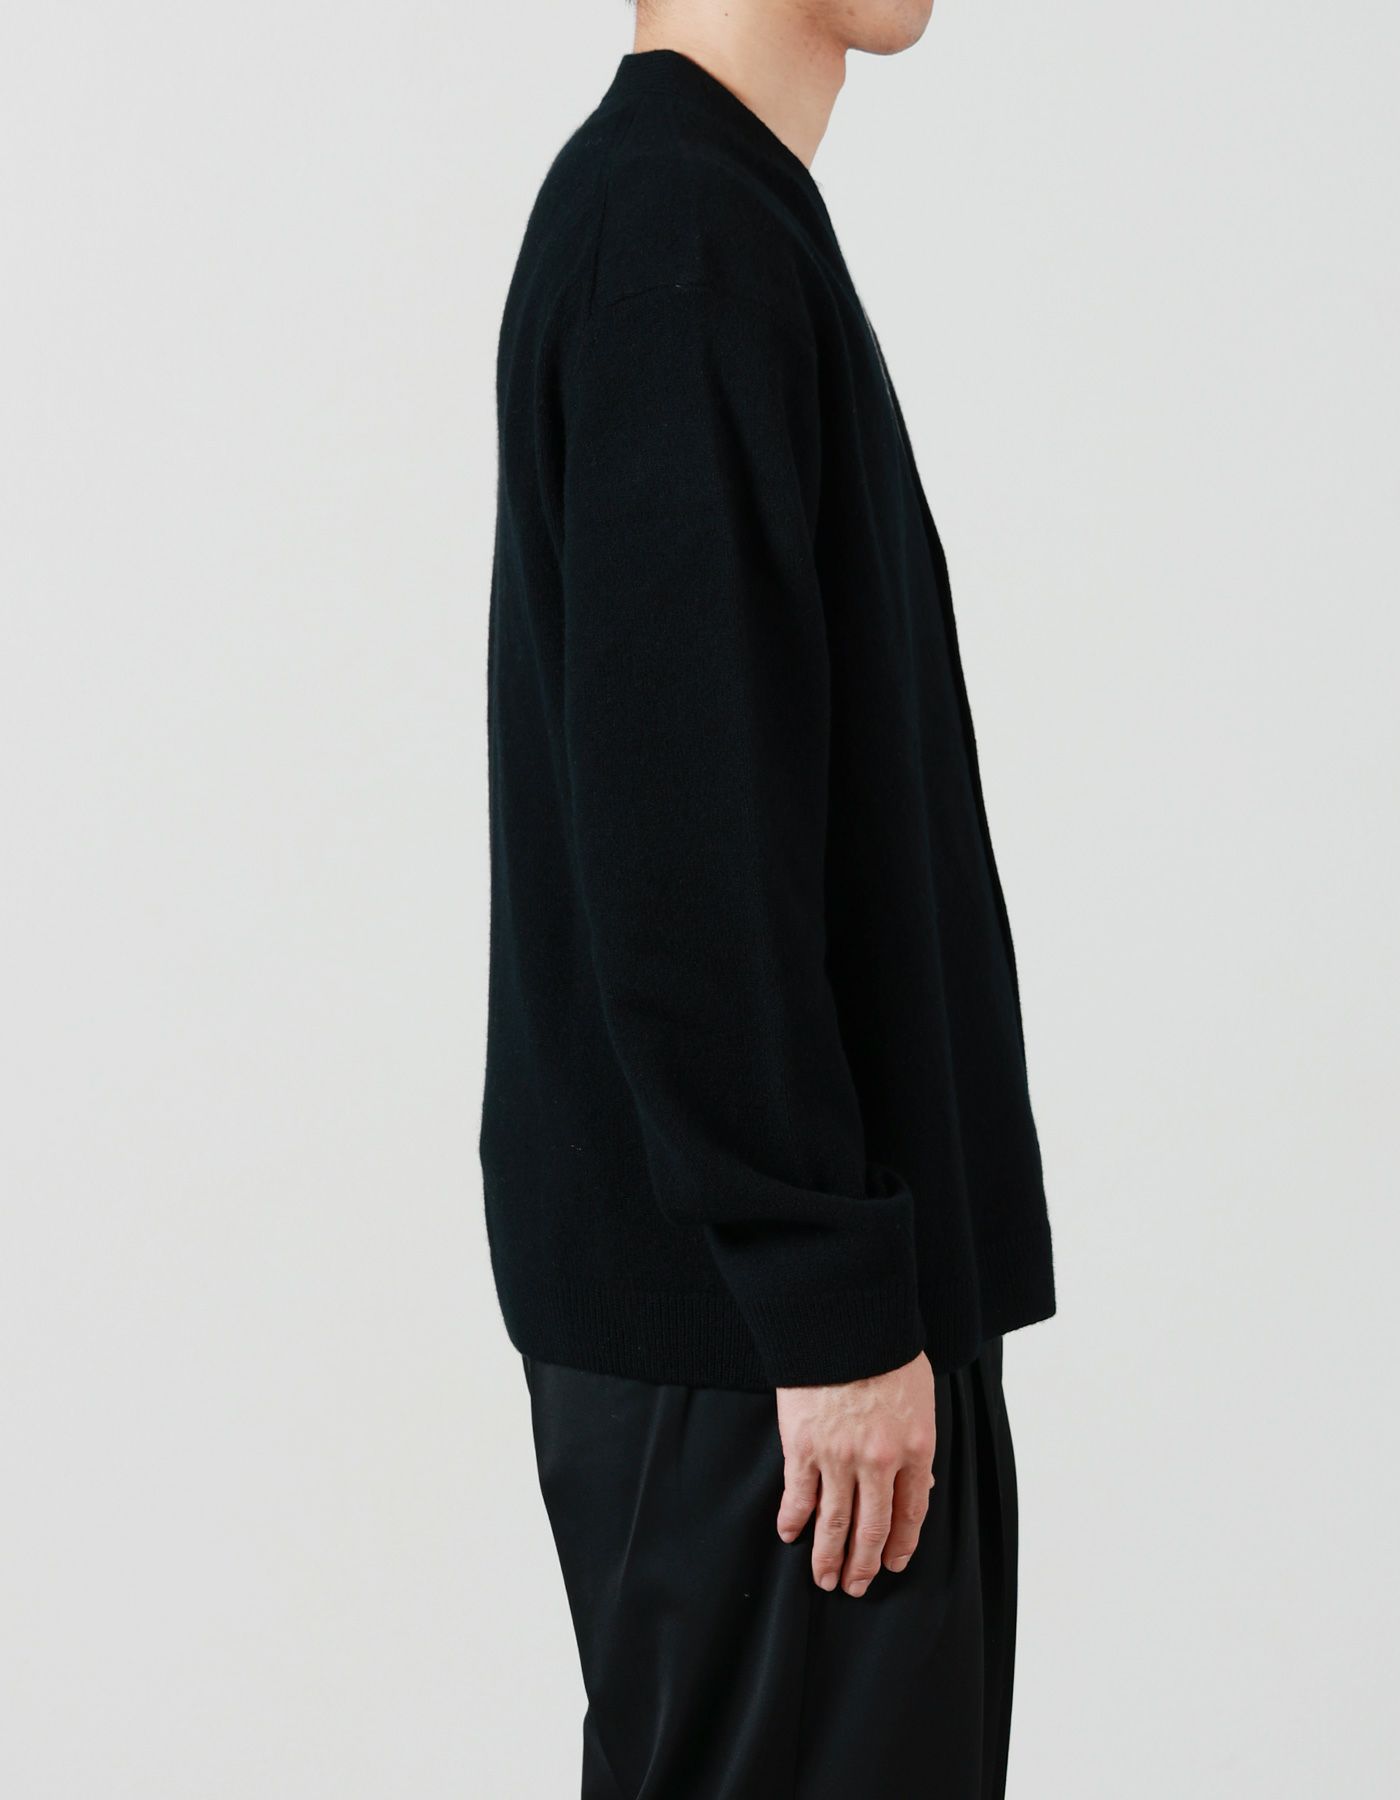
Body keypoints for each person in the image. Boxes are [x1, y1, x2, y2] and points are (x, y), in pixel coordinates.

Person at [479, 2, 1055, 1792]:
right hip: (764, 1348)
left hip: (774, 1326)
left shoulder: (708, 214)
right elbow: (684, 841)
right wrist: (828, 1296)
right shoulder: (678, 234)